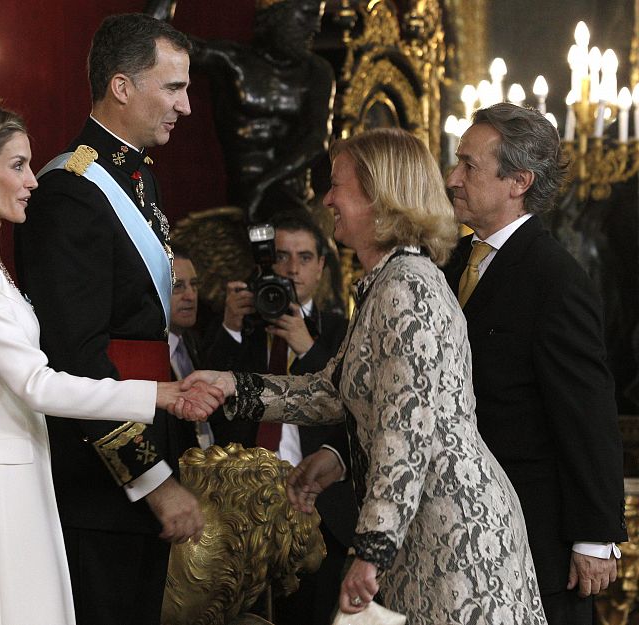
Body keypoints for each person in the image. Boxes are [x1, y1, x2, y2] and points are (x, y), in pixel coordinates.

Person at [185, 128, 548, 625]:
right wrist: (230, 385)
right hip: (419, 529)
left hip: (455, 535)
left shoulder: (408, 289)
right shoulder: (388, 282)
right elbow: (330, 392)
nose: (328, 199)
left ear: (380, 197)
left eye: (339, 186)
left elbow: (404, 434)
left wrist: (370, 550)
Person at [0, 104, 217, 625]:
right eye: (17, 165)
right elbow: (35, 383)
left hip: (23, 466)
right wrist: (156, 394)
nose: (33, 180)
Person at [13, 14, 200, 625]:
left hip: (147, 434)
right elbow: (77, 361)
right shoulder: (71, 193)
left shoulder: (137, 175)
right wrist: (152, 480)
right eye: (173, 88)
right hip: (103, 481)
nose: (187, 105)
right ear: (122, 87)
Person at [444, 102, 627, 625]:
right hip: (461, 528)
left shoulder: (555, 279)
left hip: (534, 534)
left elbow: (587, 412)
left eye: (469, 166)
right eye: (457, 162)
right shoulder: (451, 262)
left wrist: (595, 536)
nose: (453, 178)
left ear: (517, 181)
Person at [207, 210, 354, 625]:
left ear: (322, 265)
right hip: (242, 502)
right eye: (283, 257)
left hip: (319, 506)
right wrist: (233, 328)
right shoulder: (244, 325)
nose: (292, 268)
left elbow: (355, 413)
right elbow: (209, 409)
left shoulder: (341, 332)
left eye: (305, 257)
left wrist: (308, 349)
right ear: (267, 263)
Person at [149, 0, 334, 221]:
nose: (315, 27)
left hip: (296, 198)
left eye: (318, 17)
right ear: (277, 15)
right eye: (308, 16)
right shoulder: (233, 62)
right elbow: (154, 39)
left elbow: (317, 139)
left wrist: (264, 185)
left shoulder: (316, 72)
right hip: (243, 198)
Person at [168, 246, 215, 451]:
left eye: (194, 285)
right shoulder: (144, 358)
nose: (190, 295)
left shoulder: (193, 342)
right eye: (178, 286)